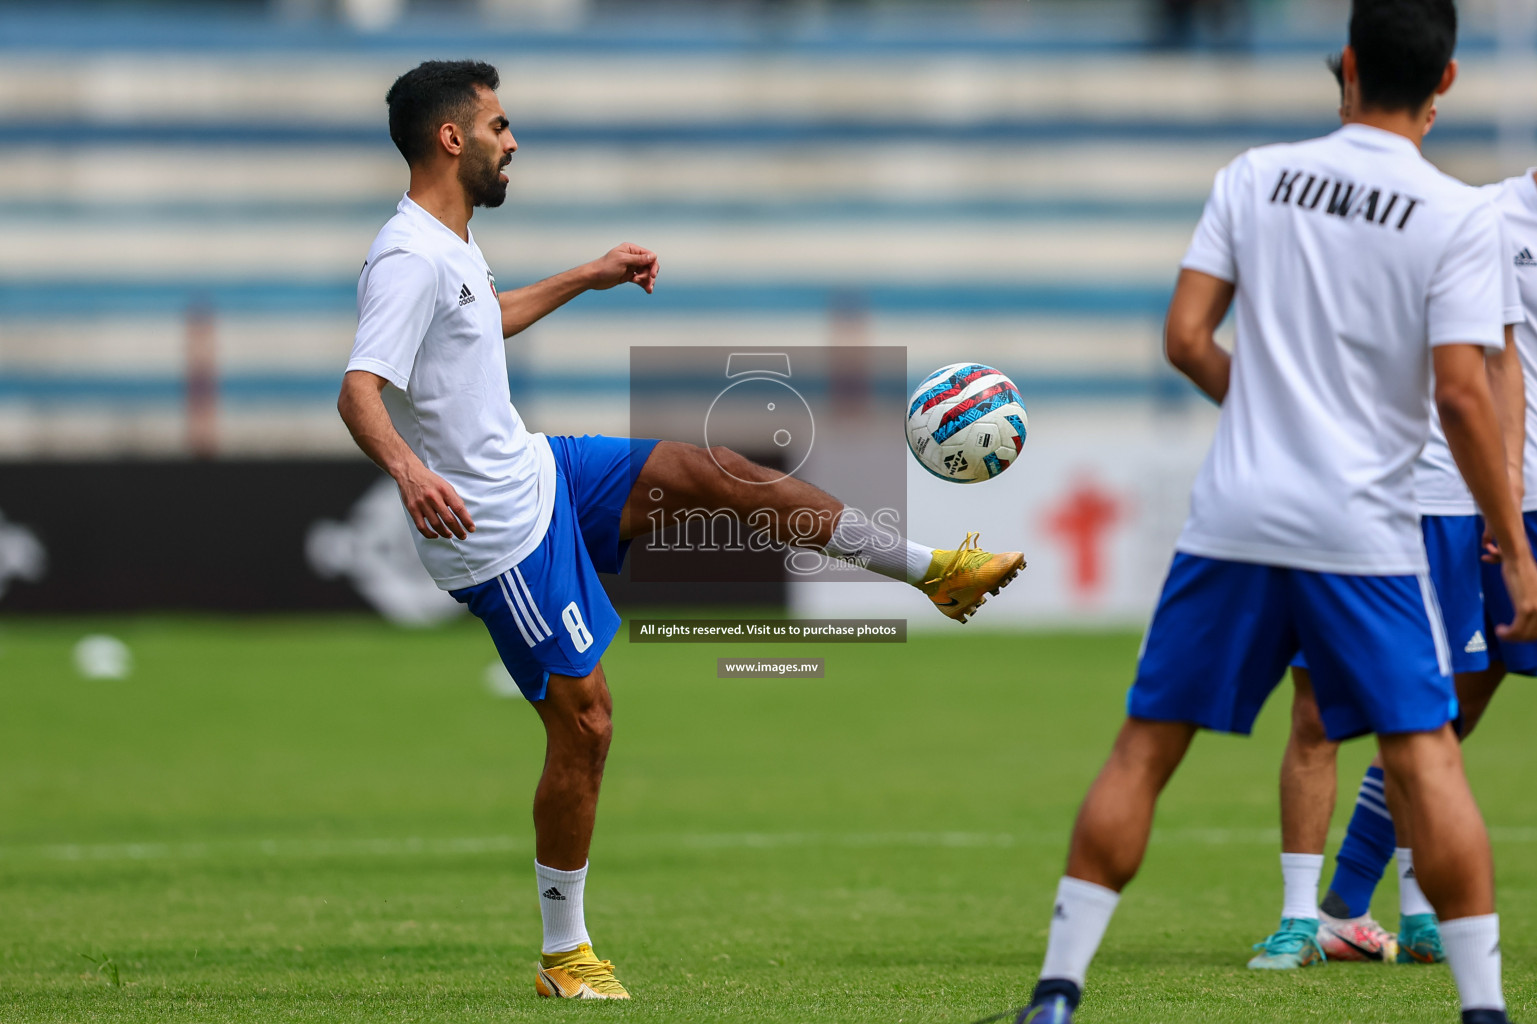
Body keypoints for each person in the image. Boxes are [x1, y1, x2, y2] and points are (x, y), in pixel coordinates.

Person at [335, 60, 1024, 1001]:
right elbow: (359, 388)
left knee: (711, 470)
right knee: (587, 724)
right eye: (498, 125)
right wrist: (412, 474)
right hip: (494, 529)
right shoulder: (407, 254)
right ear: (451, 139)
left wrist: (585, 275)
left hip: (535, 470)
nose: (512, 140)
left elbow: (476, 325)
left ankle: (932, 571)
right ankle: (564, 952)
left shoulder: (447, 247)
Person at [1006, 2, 1537, 1022]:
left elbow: (1185, 337)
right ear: (1448, 82)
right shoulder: (1456, 215)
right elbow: (1466, 394)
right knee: (1425, 753)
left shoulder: (1254, 176)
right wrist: (1510, 541)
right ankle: (1482, 1009)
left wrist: (1267, 414)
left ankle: (1058, 987)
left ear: (1345, 63)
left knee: (1144, 748)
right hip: (1363, 528)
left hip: (1233, 516)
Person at [1252, 54, 1527, 971]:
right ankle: (1305, 915)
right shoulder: (1471, 214)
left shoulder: (1447, 214)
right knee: (1318, 710)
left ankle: (1410, 910)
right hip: (1369, 495)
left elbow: (1493, 370)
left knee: (1430, 716)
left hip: (1453, 502)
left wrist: (1499, 493)